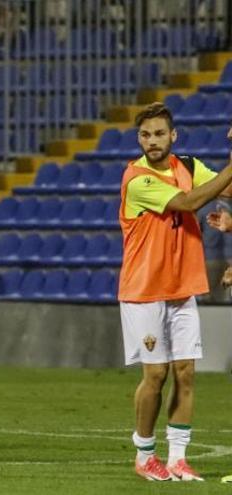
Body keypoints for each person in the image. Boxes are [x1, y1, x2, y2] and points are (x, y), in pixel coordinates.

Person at [118, 102, 232, 482]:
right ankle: (144, 454)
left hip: (182, 288)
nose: (152, 141)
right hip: (144, 290)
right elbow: (189, 202)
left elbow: (225, 188)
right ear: (139, 139)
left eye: (159, 134)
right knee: (156, 375)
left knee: (185, 372)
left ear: (173, 136)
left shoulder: (188, 165)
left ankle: (178, 460)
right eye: (146, 135)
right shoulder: (136, 179)